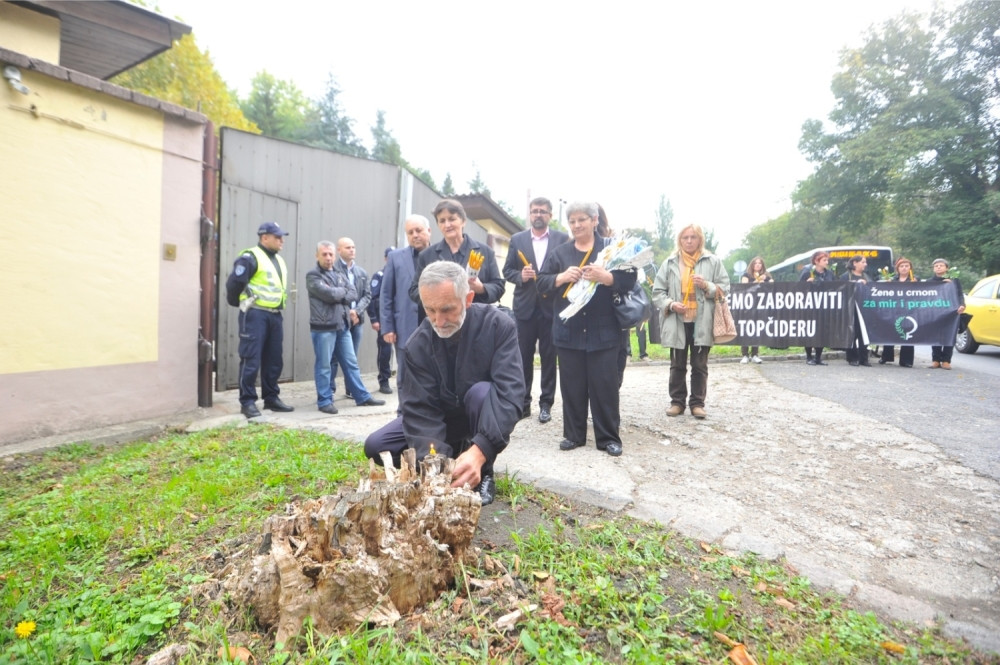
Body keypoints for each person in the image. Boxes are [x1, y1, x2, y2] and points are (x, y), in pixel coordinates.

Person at [364, 261, 525, 505]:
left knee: (482, 393)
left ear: (468, 299)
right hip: (443, 420)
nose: (439, 321)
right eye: (430, 310)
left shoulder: (498, 326)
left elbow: (510, 394)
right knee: (377, 446)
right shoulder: (417, 345)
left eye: (448, 310)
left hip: (480, 415)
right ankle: (453, 458)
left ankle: (483, 469)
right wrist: (437, 466)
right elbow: (419, 410)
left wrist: (482, 449)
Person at [537, 201, 636, 456]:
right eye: (572, 221)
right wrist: (561, 277)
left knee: (605, 386)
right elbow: (541, 283)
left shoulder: (611, 249)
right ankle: (573, 435)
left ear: (594, 220)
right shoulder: (560, 253)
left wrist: (608, 277)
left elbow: (630, 277)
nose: (577, 225)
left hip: (604, 331)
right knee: (572, 386)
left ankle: (608, 438)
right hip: (568, 331)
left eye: (582, 219)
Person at [502, 196, 568, 423]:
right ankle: (523, 403)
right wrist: (520, 276)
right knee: (522, 357)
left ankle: (546, 404)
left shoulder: (562, 239)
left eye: (543, 211)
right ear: (529, 214)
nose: (538, 215)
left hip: (552, 307)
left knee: (550, 357)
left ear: (550, 215)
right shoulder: (517, 239)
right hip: (525, 308)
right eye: (534, 211)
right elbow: (507, 270)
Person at [652, 224, 729, 419]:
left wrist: (706, 285)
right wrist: (671, 304)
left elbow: (724, 288)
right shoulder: (670, 262)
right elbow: (658, 292)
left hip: (702, 321)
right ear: (679, 240)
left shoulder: (713, 261)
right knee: (677, 364)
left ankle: (697, 404)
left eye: (693, 237)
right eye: (685, 237)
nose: (688, 241)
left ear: (700, 239)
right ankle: (677, 402)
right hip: (677, 321)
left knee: (700, 365)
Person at [225, 221, 295, 418]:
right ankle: (247, 402)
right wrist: (237, 303)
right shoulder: (250, 257)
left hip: (274, 315)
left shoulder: (278, 260)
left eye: (282, 237)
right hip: (255, 314)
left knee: (274, 360)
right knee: (251, 358)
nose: (282, 240)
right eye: (278, 237)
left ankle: (271, 398)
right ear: (265, 238)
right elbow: (235, 283)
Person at [306, 241, 386, 412]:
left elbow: (353, 293)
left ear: (334, 256)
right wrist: (340, 293)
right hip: (324, 328)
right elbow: (329, 295)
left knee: (351, 363)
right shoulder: (313, 275)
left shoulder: (339, 274)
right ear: (317, 256)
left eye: (330, 254)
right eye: (324, 254)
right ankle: (325, 401)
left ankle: (361, 396)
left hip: (343, 326)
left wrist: (338, 293)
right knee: (325, 365)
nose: (328, 258)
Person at [409, 199, 505, 320]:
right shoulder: (427, 255)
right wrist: (436, 294)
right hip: (441, 323)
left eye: (452, 219)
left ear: (463, 221)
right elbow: (413, 291)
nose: (447, 225)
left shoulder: (485, 252)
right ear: (438, 225)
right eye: (442, 221)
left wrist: (481, 288)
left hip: (476, 322)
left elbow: (498, 287)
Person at [380, 215, 432, 404]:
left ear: (429, 231)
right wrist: (388, 327)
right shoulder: (395, 258)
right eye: (410, 232)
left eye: (418, 230)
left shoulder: (440, 254)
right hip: (405, 328)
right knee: (405, 376)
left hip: (436, 326)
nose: (415, 235)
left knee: (433, 375)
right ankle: (404, 414)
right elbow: (386, 294)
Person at [331, 237, 372, 398]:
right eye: (348, 247)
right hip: (339, 321)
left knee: (352, 358)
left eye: (353, 247)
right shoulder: (333, 270)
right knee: (333, 357)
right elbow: (335, 295)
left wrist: (357, 312)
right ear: (339, 250)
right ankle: (330, 390)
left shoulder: (361, 272)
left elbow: (367, 295)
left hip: (357, 321)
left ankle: (351, 389)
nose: (352, 250)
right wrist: (348, 312)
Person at [927, 258, 966, 369]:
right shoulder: (929, 282)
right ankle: (935, 360)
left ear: (946, 268)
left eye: (941, 265)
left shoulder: (954, 280)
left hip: (951, 312)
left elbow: (959, 294)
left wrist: (962, 305)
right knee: (935, 336)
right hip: (935, 312)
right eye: (936, 266)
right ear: (933, 269)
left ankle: (946, 360)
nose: (938, 267)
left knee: (950, 335)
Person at [879, 256, 917, 368]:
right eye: (902, 266)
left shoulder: (915, 279)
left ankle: (906, 360)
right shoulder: (892, 280)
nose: (904, 268)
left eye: (906, 266)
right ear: (897, 268)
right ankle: (886, 356)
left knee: (908, 334)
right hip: (894, 309)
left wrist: (916, 285)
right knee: (890, 331)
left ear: (910, 268)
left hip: (910, 310)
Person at [367, 246, 395, 394]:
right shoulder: (379, 275)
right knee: (385, 351)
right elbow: (372, 299)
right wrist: (374, 319)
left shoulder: (400, 274)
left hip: (399, 318)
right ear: (385, 258)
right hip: (385, 319)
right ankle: (384, 381)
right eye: (390, 257)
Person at [799, 250, 835, 365]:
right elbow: (798, 288)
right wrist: (806, 283)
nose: (827, 262)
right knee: (809, 330)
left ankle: (818, 357)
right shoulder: (807, 272)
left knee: (822, 331)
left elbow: (835, 287)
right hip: (810, 306)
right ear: (816, 261)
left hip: (824, 306)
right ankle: (809, 356)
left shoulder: (829, 273)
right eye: (824, 260)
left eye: (827, 260)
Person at [841, 254, 872, 366]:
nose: (865, 264)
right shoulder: (846, 276)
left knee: (864, 333)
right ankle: (852, 358)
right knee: (852, 333)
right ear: (855, 263)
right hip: (851, 309)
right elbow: (841, 290)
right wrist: (856, 284)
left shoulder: (866, 276)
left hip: (864, 309)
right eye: (863, 262)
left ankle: (864, 358)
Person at [740, 256, 772, 364]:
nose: (758, 265)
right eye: (755, 263)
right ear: (752, 265)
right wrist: (757, 281)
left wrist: (766, 281)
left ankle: (755, 354)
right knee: (746, 329)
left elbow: (773, 285)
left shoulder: (766, 276)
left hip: (760, 305)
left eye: (760, 263)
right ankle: (745, 354)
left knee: (756, 329)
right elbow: (745, 287)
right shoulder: (746, 275)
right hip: (748, 305)